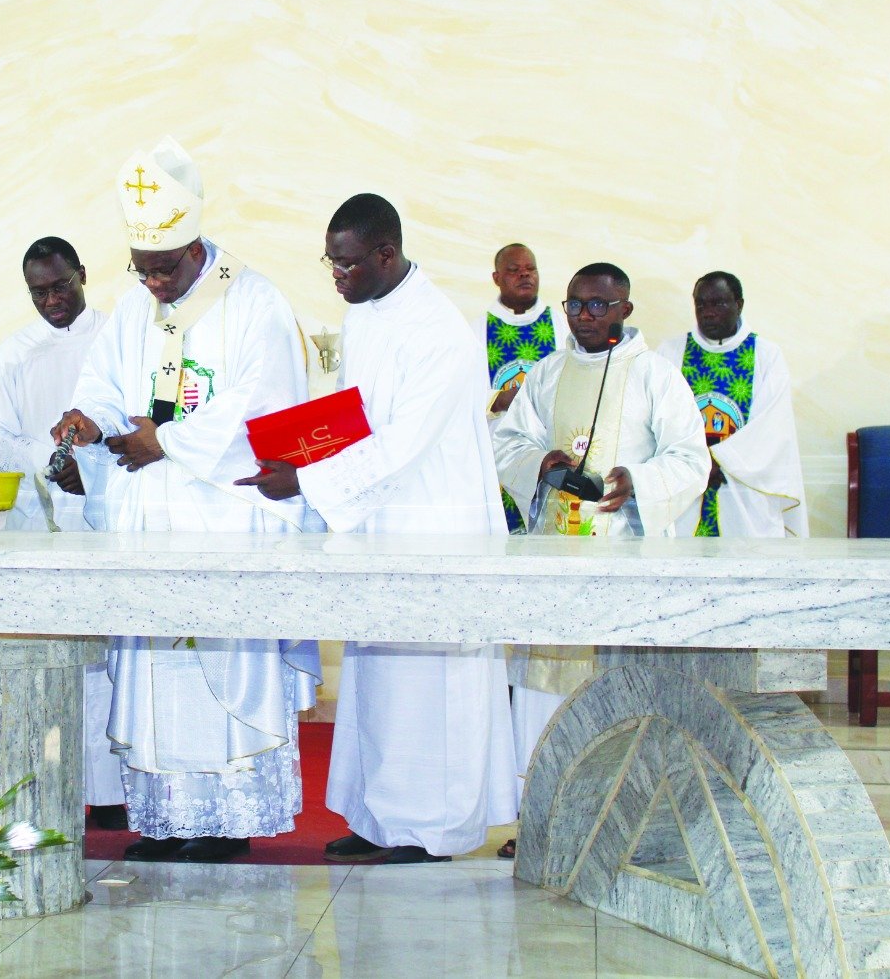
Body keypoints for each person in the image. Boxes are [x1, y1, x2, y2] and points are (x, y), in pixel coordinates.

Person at [53, 137, 318, 864]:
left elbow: (260, 408)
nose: (154, 283)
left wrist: (163, 442)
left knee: (215, 673)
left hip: (222, 519)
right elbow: (106, 383)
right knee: (158, 676)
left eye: (164, 268)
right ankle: (169, 819)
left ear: (196, 244)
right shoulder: (135, 307)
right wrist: (91, 419)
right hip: (152, 520)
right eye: (141, 270)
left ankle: (226, 824)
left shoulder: (254, 300)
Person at [237, 194, 517, 864]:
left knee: (428, 685)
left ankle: (431, 829)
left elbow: (404, 442)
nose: (336, 276)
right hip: (379, 516)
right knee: (378, 678)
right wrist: (302, 450)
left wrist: (305, 481)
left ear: (386, 255)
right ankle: (381, 818)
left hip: (433, 525)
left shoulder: (438, 329)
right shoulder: (364, 311)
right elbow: (356, 417)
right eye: (331, 263)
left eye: (347, 264)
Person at [490, 262, 708, 850]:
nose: (585, 316)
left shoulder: (657, 377)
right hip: (555, 558)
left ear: (625, 311)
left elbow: (692, 460)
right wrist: (540, 463)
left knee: (614, 689)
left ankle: (617, 820)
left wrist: (638, 480)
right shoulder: (548, 373)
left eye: (599, 306)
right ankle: (538, 817)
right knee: (544, 689)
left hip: (622, 561)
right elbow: (506, 439)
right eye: (576, 305)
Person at [0, 237, 124, 827]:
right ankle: (53, 783)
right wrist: (50, 458)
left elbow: (135, 419)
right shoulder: (14, 352)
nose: (51, 300)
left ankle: (111, 792)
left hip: (104, 522)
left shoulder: (115, 337)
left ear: (82, 275)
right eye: (39, 291)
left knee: (107, 661)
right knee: (49, 658)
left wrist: (87, 464)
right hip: (37, 527)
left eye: (60, 286)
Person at [657, 272, 807, 537]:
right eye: (701, 304)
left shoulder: (766, 354)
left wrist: (716, 460)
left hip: (744, 492)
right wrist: (697, 462)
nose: (708, 312)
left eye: (719, 304)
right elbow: (659, 419)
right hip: (685, 491)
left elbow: (772, 428)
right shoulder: (670, 353)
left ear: (739, 304)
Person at [471, 243, 568, 533]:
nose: (525, 276)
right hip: (498, 451)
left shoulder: (559, 323)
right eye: (514, 271)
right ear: (496, 278)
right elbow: (461, 391)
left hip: (548, 448)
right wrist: (499, 398)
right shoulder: (477, 330)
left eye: (530, 269)